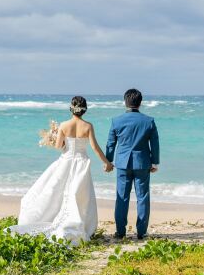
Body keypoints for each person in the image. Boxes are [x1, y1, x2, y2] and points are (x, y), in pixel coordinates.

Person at [9, 96, 112, 245]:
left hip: (66, 161)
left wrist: (54, 137)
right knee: (79, 194)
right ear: (85, 110)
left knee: (56, 190)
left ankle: (51, 217)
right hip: (81, 163)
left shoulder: (64, 125)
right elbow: (95, 147)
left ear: (71, 108)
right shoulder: (88, 126)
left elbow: (59, 146)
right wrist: (107, 163)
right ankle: (80, 223)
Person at [105, 88, 160, 240]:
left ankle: (120, 232)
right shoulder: (148, 121)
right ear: (140, 103)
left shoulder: (116, 121)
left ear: (125, 102)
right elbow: (155, 144)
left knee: (122, 197)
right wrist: (155, 162)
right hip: (142, 163)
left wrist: (108, 161)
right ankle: (141, 232)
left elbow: (110, 144)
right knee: (143, 197)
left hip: (122, 164)